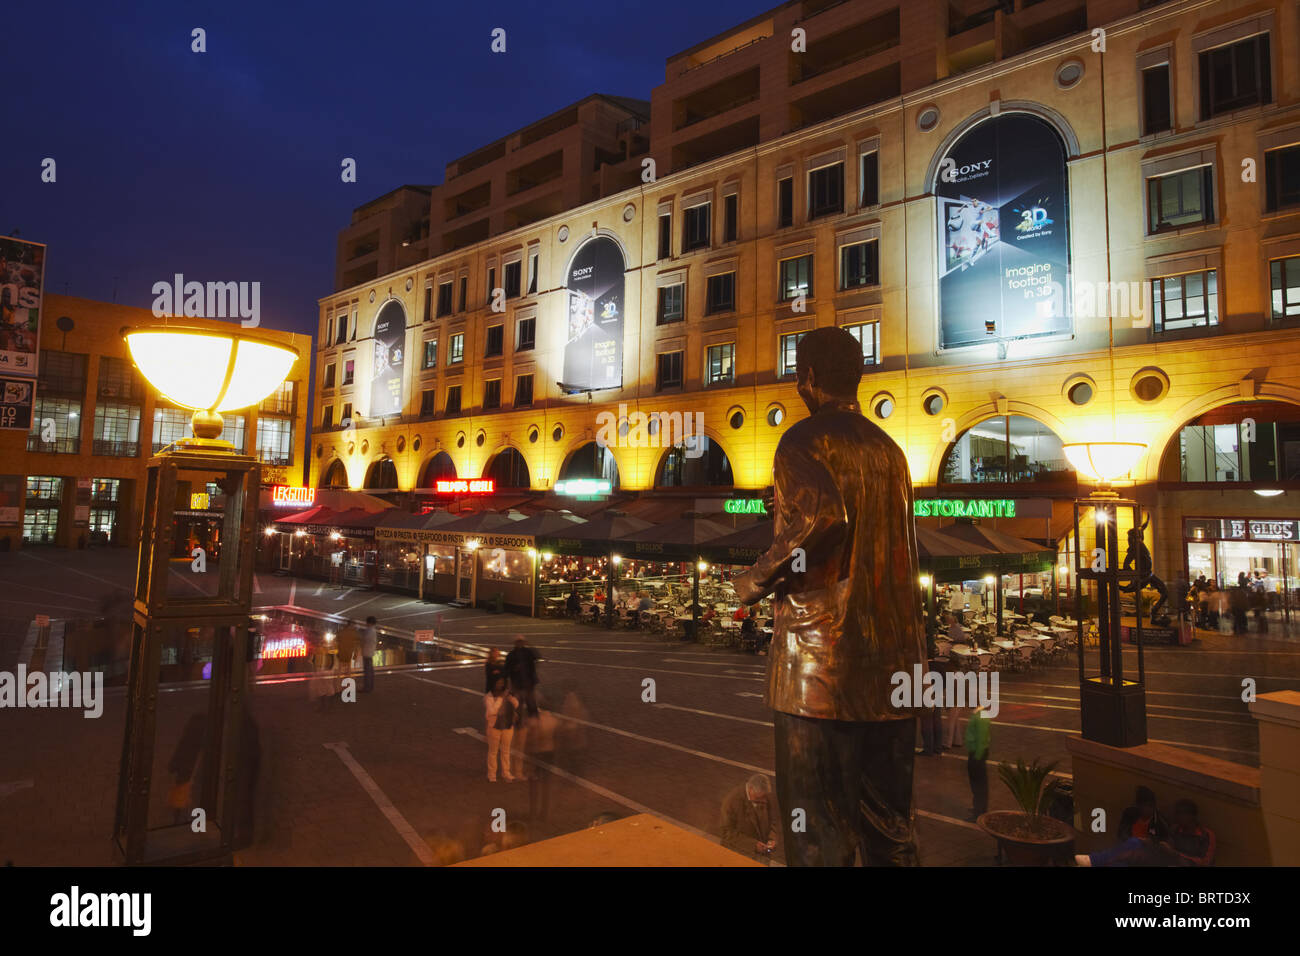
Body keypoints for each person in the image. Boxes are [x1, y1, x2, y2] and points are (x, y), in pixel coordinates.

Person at [732, 326, 925, 867]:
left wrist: (755, 580)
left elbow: (820, 520)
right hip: (894, 672)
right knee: (892, 831)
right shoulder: (890, 451)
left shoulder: (803, 441)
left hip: (819, 672)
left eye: (799, 372)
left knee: (817, 831)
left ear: (810, 377)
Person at [720, 774, 778, 861]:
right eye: (760, 797)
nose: (764, 801)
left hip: (761, 855)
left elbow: (772, 821)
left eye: (765, 797)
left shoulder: (764, 796)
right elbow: (726, 832)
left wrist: (772, 838)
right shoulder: (731, 802)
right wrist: (753, 845)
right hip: (739, 855)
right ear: (750, 789)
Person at [484, 677, 518, 783]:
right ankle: (492, 774)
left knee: (506, 751)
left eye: (502, 683)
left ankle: (506, 773)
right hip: (494, 727)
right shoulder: (489, 697)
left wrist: (510, 697)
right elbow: (492, 711)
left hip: (507, 725)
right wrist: (500, 698)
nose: (500, 685)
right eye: (497, 683)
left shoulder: (506, 695)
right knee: (493, 752)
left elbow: (516, 704)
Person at [1166, 798, 1216, 866]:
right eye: (1176, 813)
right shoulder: (1175, 830)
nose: (1176, 817)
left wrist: (1178, 856)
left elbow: (1206, 862)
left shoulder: (1205, 835)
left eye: (1180, 814)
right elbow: (1168, 850)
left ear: (1192, 816)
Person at [965, 704, 991, 820]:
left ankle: (979, 812)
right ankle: (979, 808)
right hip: (976, 753)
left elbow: (982, 739)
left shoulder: (980, 717)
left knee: (978, 784)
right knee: (977, 783)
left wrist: (977, 757)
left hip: (977, 754)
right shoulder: (978, 714)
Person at [505, 636, 540, 717]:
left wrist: (530, 644)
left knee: (531, 703)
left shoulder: (528, 651)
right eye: (518, 642)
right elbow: (506, 669)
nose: (520, 643)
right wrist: (514, 669)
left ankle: (534, 720)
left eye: (521, 642)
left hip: (529, 682)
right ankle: (519, 723)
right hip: (517, 683)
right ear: (515, 643)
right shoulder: (511, 655)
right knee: (518, 705)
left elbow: (537, 656)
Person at [335, 620, 360, 692]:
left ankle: (338, 688)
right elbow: (356, 645)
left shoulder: (341, 632)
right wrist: (355, 654)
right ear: (351, 625)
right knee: (348, 672)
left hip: (341, 654)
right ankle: (347, 688)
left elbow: (337, 641)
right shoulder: (354, 633)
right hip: (349, 655)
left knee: (339, 672)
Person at [360, 615, 378, 693]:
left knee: (367, 671)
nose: (366, 624)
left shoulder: (369, 631)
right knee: (370, 671)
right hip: (370, 652)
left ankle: (367, 687)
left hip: (367, 653)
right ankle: (370, 686)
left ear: (369, 623)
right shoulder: (373, 631)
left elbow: (365, 640)